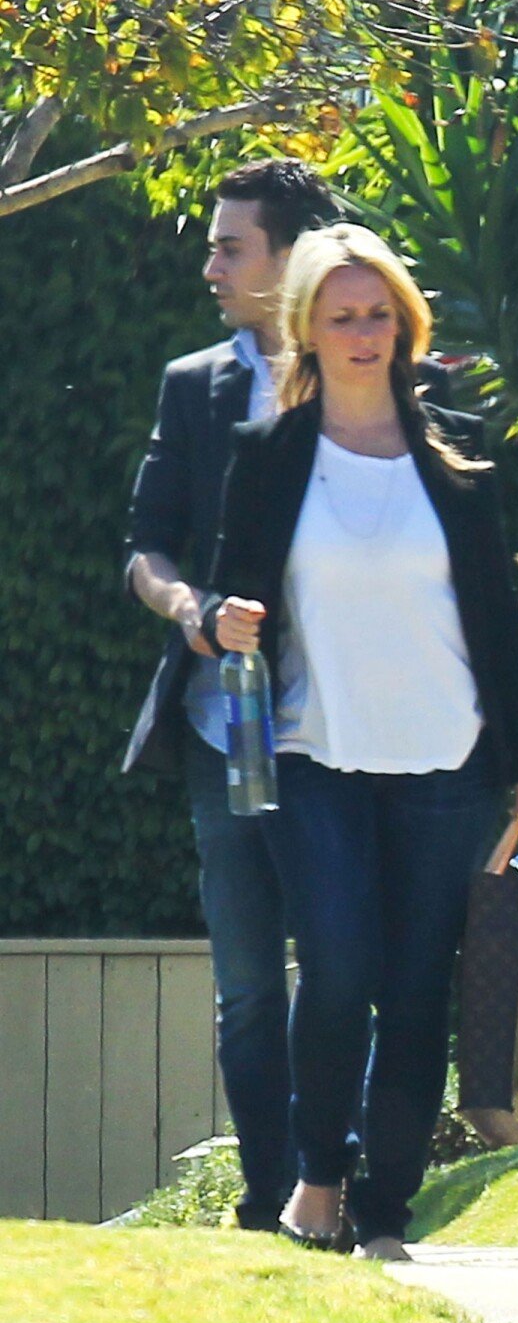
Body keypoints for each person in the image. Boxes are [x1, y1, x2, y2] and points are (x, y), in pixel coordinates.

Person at [202, 222, 518, 1261]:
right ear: (307, 329)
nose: (363, 332)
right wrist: (223, 617)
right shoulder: (267, 460)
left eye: (379, 313)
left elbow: (500, 621)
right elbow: (230, 589)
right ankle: (319, 1176)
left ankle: (388, 1208)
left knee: (414, 989)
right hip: (314, 759)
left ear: (405, 321)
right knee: (340, 968)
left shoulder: (459, 461)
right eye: (342, 316)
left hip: (449, 764)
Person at [124, 158, 341, 1230]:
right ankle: (268, 1201)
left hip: (351, 732)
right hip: (226, 729)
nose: (210, 263)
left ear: (289, 257)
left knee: (351, 967)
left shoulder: (373, 369)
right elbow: (144, 549)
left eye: (228, 245)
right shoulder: (193, 384)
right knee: (251, 984)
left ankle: (336, 1185)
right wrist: (191, 611)